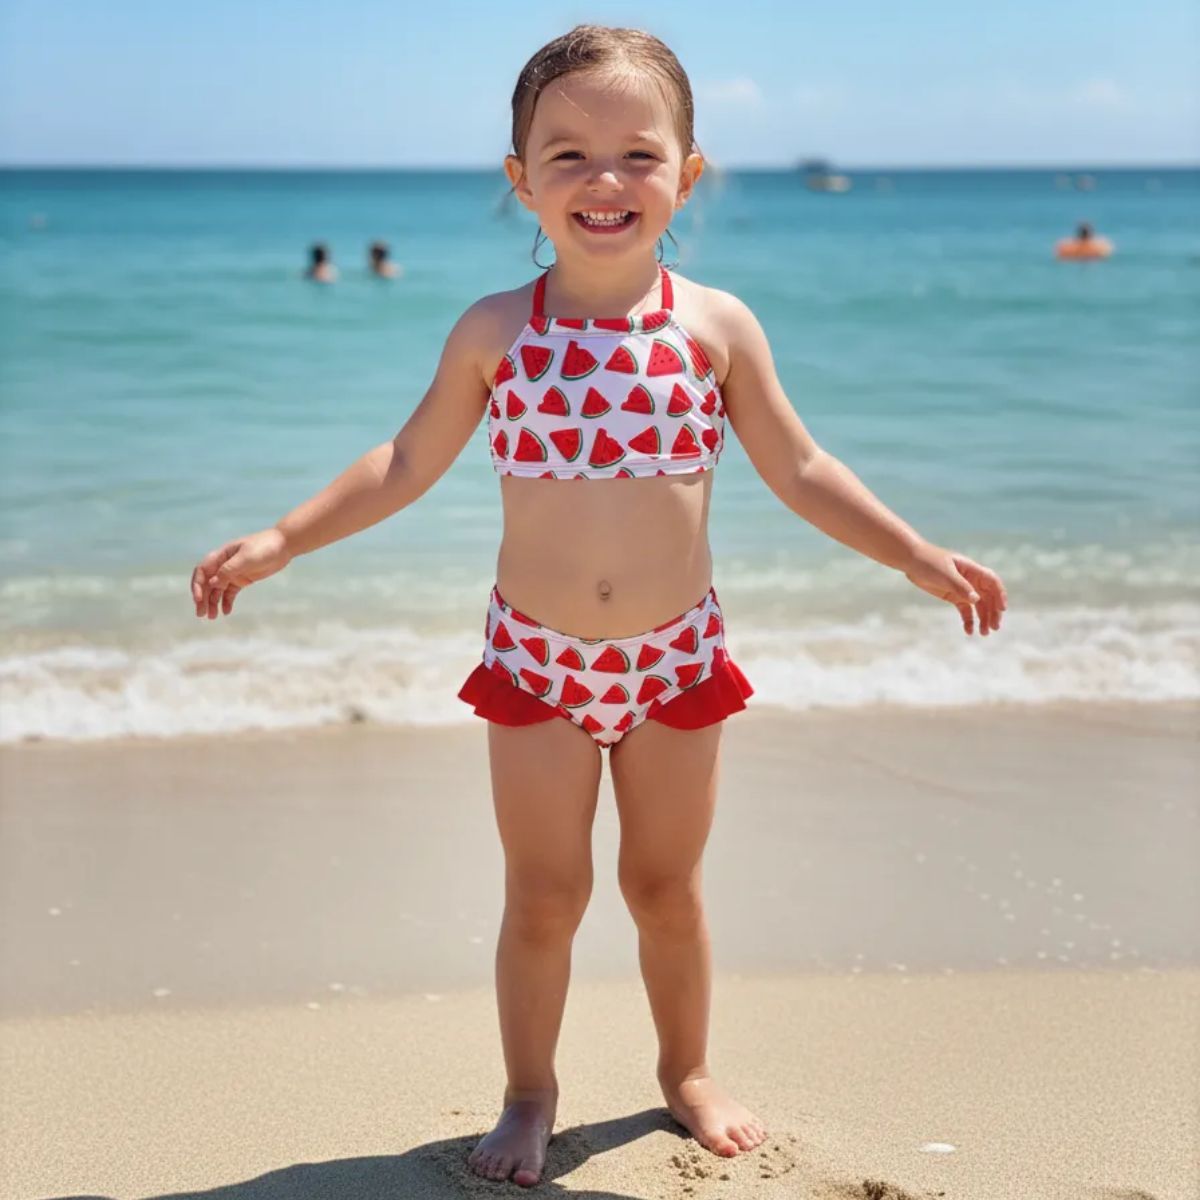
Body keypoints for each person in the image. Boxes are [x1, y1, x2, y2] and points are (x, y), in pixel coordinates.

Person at [190, 24, 1007, 1188]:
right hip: (538, 662)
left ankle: (688, 1071)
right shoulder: (495, 330)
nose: (604, 179)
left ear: (689, 173)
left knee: (665, 890)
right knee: (545, 895)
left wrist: (912, 553)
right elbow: (405, 460)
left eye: (638, 153)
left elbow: (801, 467)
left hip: (677, 659)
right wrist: (284, 537)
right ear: (520, 178)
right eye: (567, 155)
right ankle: (530, 1092)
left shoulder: (716, 328)